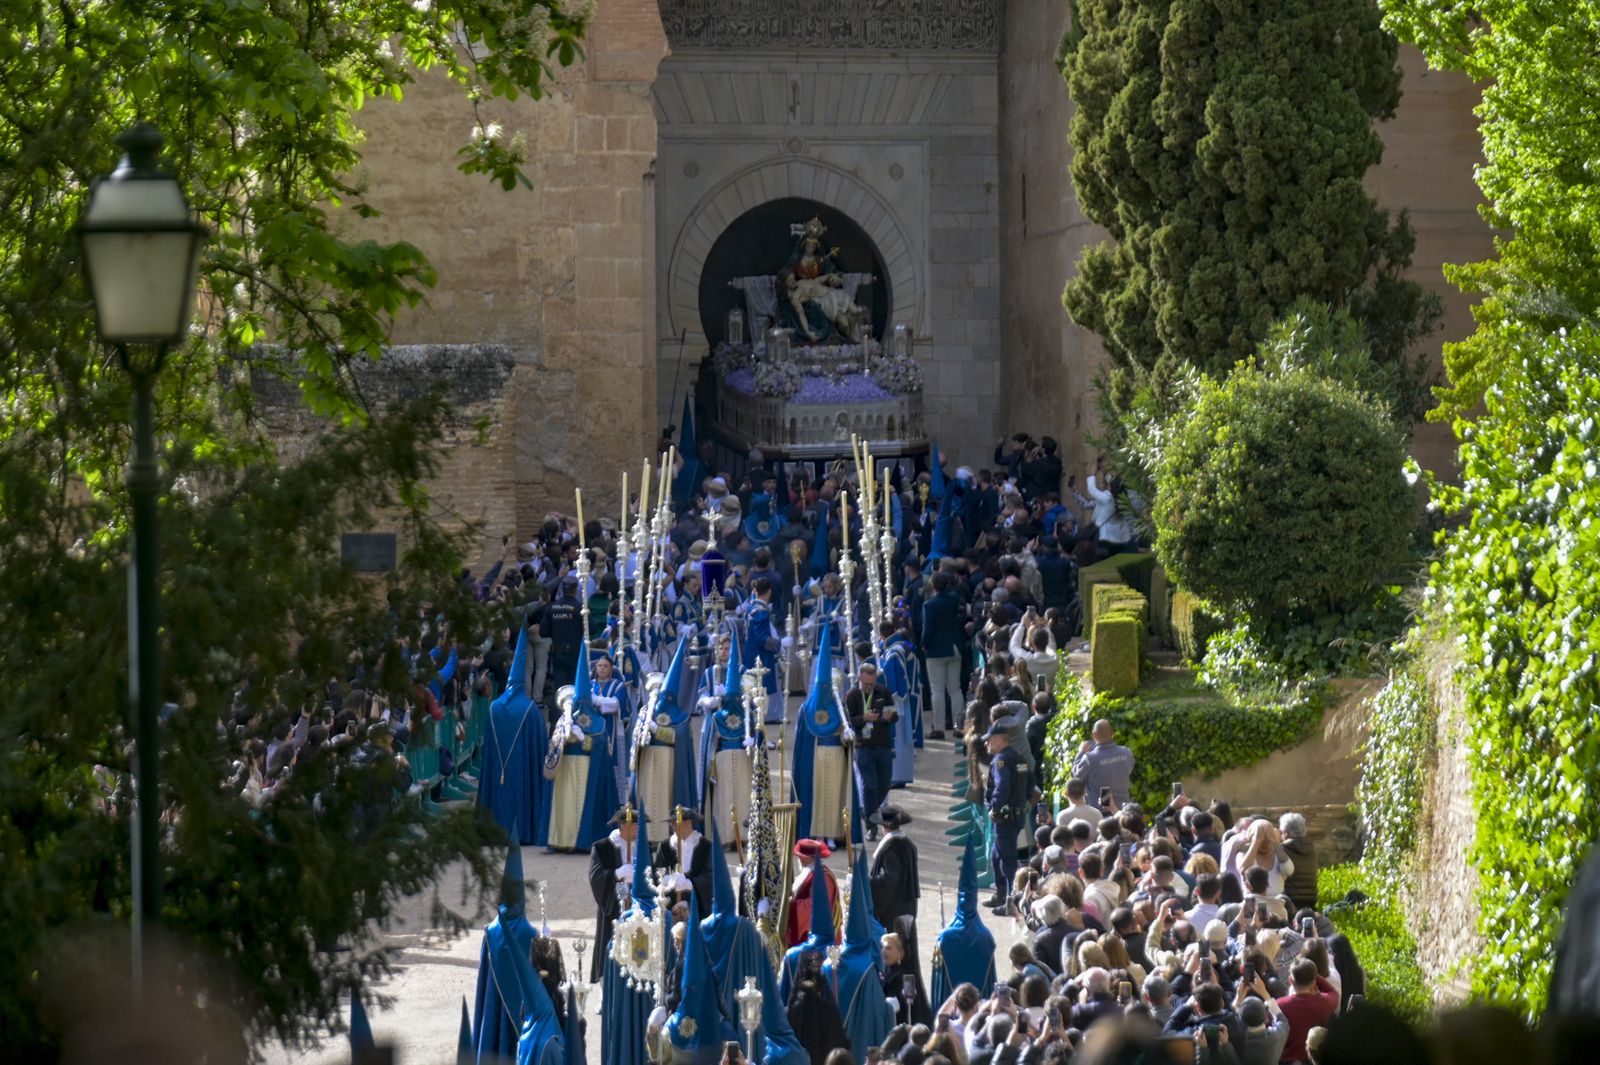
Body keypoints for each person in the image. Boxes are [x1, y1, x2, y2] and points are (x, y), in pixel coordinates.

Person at [478, 628, 552, 847]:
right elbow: (541, 748)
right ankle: (523, 831)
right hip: (521, 769)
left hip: (497, 770)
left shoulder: (494, 707)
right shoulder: (530, 709)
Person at [545, 642, 620, 852]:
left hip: (587, 771)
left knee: (581, 807)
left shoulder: (598, 722)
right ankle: (564, 840)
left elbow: (598, 745)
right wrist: (566, 735)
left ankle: (581, 840)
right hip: (567, 771)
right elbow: (553, 745)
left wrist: (584, 739)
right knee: (567, 806)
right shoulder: (565, 719)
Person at [791, 621, 852, 842]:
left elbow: (847, 733)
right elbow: (802, 740)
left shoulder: (839, 707)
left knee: (834, 797)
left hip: (835, 756)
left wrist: (847, 736)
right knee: (817, 796)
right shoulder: (807, 708)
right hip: (816, 758)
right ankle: (817, 832)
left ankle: (834, 834)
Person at [587, 803, 638, 982]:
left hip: (636, 904)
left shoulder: (641, 846)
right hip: (612, 904)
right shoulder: (602, 847)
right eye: (634, 823)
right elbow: (595, 876)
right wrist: (616, 873)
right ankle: (605, 984)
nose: (638, 827)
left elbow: (651, 872)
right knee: (609, 944)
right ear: (624, 825)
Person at [846, 660, 897, 831]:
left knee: (884, 783)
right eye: (867, 684)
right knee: (869, 785)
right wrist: (864, 719)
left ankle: (868, 811)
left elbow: (895, 715)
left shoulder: (883, 692)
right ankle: (871, 825)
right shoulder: (852, 695)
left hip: (883, 745)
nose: (870, 687)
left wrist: (889, 717)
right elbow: (847, 721)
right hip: (863, 747)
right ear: (860, 678)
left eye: (872, 683)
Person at [983, 723, 1029, 913]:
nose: (987, 744)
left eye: (989, 740)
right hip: (1016, 815)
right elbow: (1030, 782)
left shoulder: (1001, 760)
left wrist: (995, 807)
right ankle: (1001, 892)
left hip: (1005, 817)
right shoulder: (1019, 758)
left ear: (997, 740)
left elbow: (1002, 787)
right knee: (996, 854)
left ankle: (1011, 902)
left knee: (1007, 859)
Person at [920, 570, 965, 739]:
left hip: (936, 650)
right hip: (954, 646)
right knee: (955, 689)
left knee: (937, 690)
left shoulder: (929, 605)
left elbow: (928, 630)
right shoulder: (954, 599)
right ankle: (958, 726)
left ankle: (938, 728)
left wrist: (924, 644)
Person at [1275, 957, 1338, 1064]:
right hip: (1314, 1058)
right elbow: (1333, 992)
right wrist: (1312, 975)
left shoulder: (1280, 1004)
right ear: (1314, 982)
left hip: (1287, 1060)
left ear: (1290, 980)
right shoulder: (1325, 1003)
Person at [654, 804, 713, 917]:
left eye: (677, 823)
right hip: (671, 903)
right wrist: (669, 880)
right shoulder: (665, 846)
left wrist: (689, 884)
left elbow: (711, 874)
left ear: (689, 823)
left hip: (698, 902)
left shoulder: (706, 846)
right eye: (672, 823)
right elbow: (657, 872)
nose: (674, 827)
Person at [869, 805, 920, 928]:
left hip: (894, 908)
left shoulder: (890, 848)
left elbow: (889, 881)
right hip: (908, 904)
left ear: (884, 827)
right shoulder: (909, 845)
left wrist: (867, 881)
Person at [1070, 719, 1134, 810]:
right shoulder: (1127, 753)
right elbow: (1128, 770)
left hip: (1102, 809)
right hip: (1124, 807)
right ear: (1112, 733)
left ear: (1094, 735)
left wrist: (1081, 753)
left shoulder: (1090, 758)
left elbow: (1076, 776)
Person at [1236, 976, 1290, 1065]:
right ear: (1266, 1018)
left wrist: (1238, 999)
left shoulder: (1235, 1040)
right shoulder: (1277, 1035)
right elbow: (1280, 1017)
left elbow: (1230, 1020)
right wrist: (1264, 993)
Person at [1279, 813, 1318, 913]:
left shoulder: (1283, 850)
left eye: (1281, 832)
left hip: (1291, 902)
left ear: (1286, 833)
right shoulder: (1312, 848)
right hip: (1311, 900)